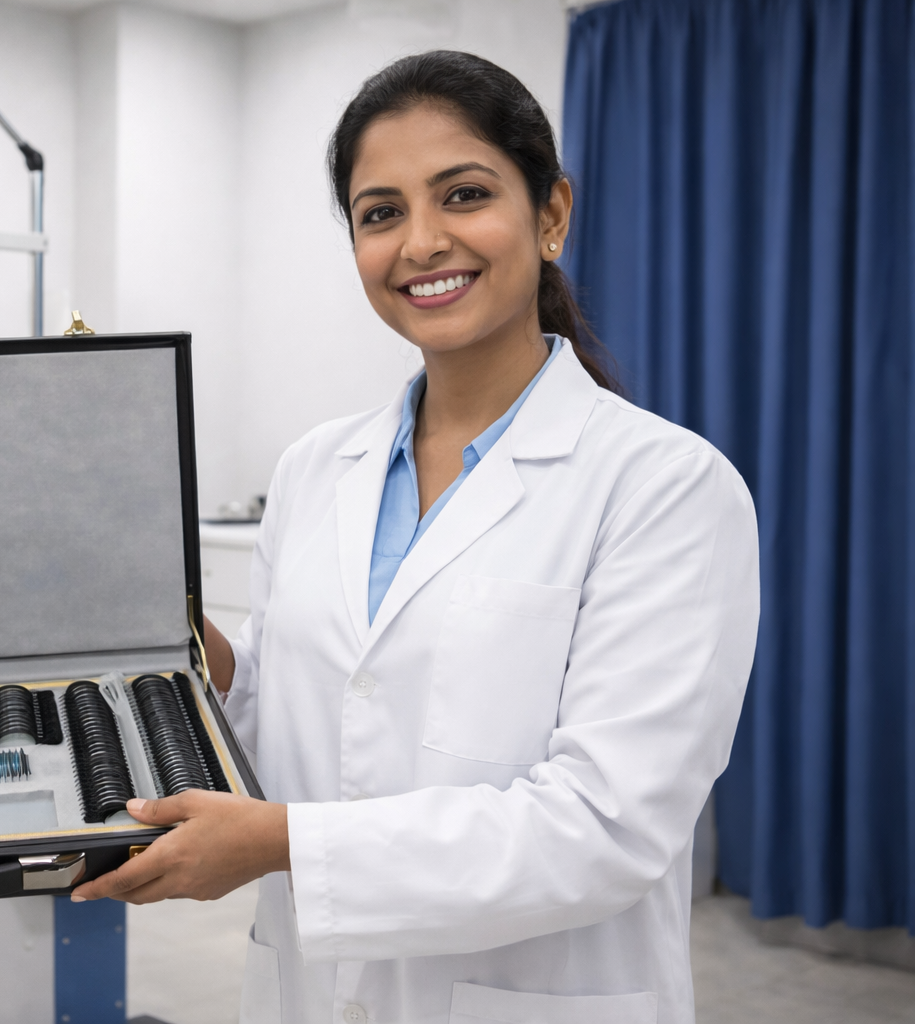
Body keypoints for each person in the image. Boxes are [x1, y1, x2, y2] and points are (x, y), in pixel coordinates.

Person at [71, 50, 759, 1023]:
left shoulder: (665, 488)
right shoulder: (315, 470)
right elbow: (297, 727)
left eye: (464, 194)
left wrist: (283, 845)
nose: (422, 241)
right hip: (307, 988)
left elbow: (604, 827)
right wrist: (191, 644)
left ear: (550, 213)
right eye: (380, 212)